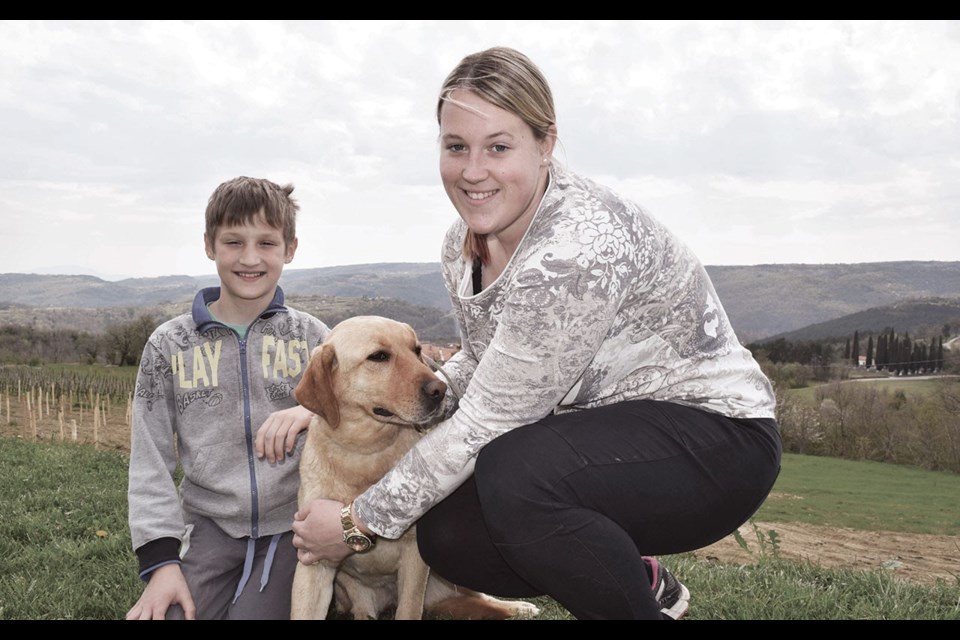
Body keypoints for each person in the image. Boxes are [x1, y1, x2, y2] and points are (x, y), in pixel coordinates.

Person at [291, 46, 782, 620]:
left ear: (546, 145)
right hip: (605, 445)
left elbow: (486, 424)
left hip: (717, 440)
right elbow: (482, 362)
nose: (473, 171)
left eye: (499, 146)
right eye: (456, 147)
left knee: (512, 474)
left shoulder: (574, 250)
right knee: (448, 533)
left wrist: (355, 523)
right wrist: (349, 399)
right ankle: (636, 577)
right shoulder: (462, 245)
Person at [125, 176, 329, 620]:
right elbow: (150, 460)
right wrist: (161, 563)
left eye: (267, 243)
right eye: (234, 242)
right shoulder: (169, 345)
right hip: (208, 527)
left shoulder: (314, 338)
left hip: (293, 526)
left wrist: (310, 409)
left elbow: (355, 412)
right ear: (209, 245)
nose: (250, 258)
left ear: (290, 248)